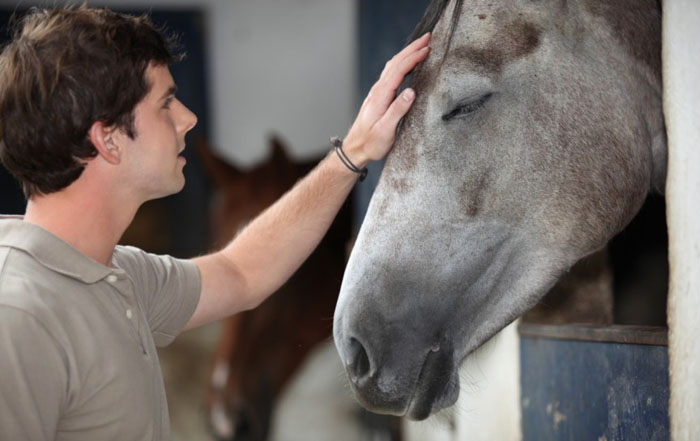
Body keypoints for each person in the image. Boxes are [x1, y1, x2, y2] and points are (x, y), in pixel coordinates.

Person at [0, 5, 430, 441]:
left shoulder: (117, 276)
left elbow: (242, 272)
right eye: (165, 103)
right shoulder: (17, 316)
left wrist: (353, 152)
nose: (187, 118)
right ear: (108, 140)